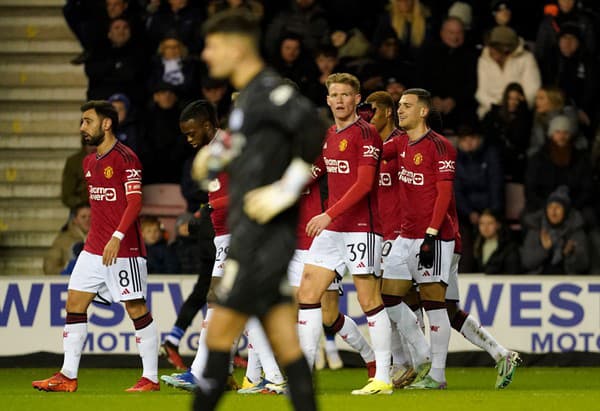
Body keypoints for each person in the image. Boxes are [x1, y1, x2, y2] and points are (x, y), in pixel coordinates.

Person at [192, 10, 324, 410]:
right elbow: (255, 148)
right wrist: (217, 155)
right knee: (290, 354)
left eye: (212, 45)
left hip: (261, 242)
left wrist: (285, 190)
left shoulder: (268, 89)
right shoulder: (246, 98)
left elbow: (313, 128)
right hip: (258, 238)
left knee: (217, 341)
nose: (206, 55)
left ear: (236, 47)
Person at [32, 100, 158, 392]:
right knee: (74, 303)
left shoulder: (127, 158)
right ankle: (68, 375)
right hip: (93, 250)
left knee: (136, 307)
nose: (82, 128)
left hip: (123, 250)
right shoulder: (88, 163)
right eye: (81, 122)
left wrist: (116, 236)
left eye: (87, 121)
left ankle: (150, 377)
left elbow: (135, 202)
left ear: (106, 123)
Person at [296, 72, 392, 395]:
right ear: (327, 100)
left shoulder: (366, 135)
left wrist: (328, 213)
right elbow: (316, 170)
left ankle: (383, 377)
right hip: (334, 229)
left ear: (356, 98)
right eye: (333, 95)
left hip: (362, 227)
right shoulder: (328, 136)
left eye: (345, 95)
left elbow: (364, 184)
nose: (338, 100)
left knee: (368, 300)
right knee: (308, 293)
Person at [381, 88, 456, 389]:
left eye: (407, 106)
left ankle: (437, 374)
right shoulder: (399, 142)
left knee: (433, 303)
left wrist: (431, 234)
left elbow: (444, 194)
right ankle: (422, 354)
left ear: (423, 111)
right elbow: (372, 154)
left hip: (433, 236)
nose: (400, 110)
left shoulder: (441, 147)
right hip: (404, 235)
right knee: (387, 297)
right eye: (399, 106)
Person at [363, 91, 432, 389]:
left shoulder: (402, 143)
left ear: (389, 113)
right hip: (377, 232)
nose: (368, 118)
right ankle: (406, 363)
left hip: (400, 233)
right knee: (385, 302)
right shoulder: (372, 148)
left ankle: (418, 358)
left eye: (374, 112)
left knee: (391, 299)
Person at [159, 101, 218, 372]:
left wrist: (199, 220)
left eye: (191, 132)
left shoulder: (222, 151)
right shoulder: (209, 153)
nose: (188, 139)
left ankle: (217, 360)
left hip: (222, 232)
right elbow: (211, 198)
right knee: (214, 296)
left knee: (212, 295)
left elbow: (221, 198)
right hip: (217, 235)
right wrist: (200, 218)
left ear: (207, 125)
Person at [454, 124, 504, 273]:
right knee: (462, 239)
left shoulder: (491, 155)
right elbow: (456, 191)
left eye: (472, 138)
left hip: (491, 210)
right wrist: (469, 213)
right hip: (465, 214)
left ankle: (494, 273)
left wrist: (490, 213)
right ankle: (464, 277)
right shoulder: (454, 158)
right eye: (464, 139)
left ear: (479, 139)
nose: (469, 142)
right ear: (459, 141)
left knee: (495, 231)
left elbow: (496, 184)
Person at [520, 185, 590, 274]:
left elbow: (584, 265)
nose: (553, 212)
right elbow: (526, 262)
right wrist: (545, 250)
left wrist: (568, 255)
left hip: (567, 281)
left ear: (566, 211)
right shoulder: (536, 229)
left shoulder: (576, 231)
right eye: (550, 207)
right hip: (539, 281)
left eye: (558, 208)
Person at [475, 25, 541, 118]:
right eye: (491, 47)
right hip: (490, 111)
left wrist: (515, 107)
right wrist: (498, 108)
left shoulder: (526, 59)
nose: (492, 51)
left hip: (518, 112)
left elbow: (532, 91)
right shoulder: (484, 60)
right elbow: (481, 92)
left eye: (496, 48)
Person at [482, 82, 532, 183]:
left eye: (517, 99)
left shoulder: (524, 118)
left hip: (516, 161)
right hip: (495, 159)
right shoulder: (492, 115)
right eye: (510, 98)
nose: (513, 102)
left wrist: (523, 108)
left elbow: (521, 140)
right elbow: (488, 139)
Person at [43, 204, 91, 275]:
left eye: (90, 217)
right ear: (75, 220)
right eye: (83, 217)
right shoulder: (63, 240)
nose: (87, 220)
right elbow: (49, 267)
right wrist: (64, 271)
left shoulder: (102, 238)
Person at [473, 209, 521, 274]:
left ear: (498, 225)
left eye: (490, 223)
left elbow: (513, 272)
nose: (485, 227)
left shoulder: (509, 247)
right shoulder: (477, 245)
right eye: (482, 223)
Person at [61, 137, 96, 210]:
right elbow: (67, 195)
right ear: (85, 145)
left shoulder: (109, 160)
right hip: (81, 208)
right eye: (90, 145)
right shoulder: (74, 162)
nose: (93, 148)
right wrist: (81, 204)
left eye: (96, 144)